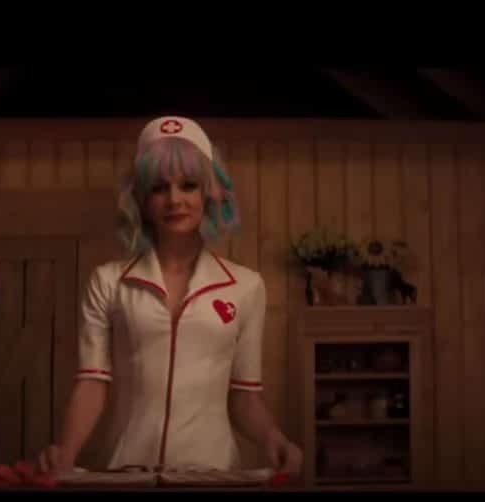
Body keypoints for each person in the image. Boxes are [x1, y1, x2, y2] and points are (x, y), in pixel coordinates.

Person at [36, 116, 302, 477]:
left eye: (188, 185)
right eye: (160, 188)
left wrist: (273, 437)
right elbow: (93, 382)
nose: (175, 199)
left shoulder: (246, 286)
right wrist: (64, 453)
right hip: (125, 473)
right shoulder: (108, 281)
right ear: (142, 200)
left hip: (214, 475)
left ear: (210, 193)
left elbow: (243, 396)